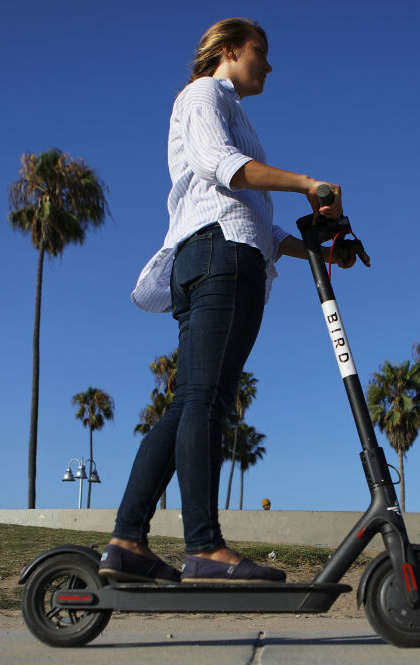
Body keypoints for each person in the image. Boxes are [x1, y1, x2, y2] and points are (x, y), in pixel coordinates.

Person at [99, 17, 359, 585]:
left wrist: (312, 250)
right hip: (218, 257)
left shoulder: (233, 111)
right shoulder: (202, 95)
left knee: (193, 400)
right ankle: (205, 549)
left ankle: (126, 542)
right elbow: (225, 168)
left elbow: (255, 222)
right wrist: (308, 183)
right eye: (259, 52)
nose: (268, 64)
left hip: (226, 253)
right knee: (206, 402)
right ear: (228, 50)